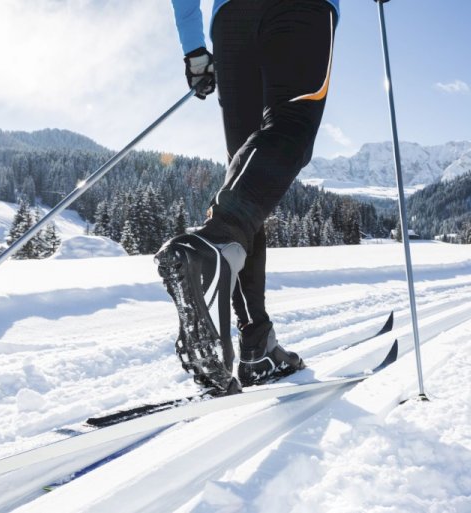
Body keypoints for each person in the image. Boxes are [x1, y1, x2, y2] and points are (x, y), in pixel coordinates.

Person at [156, 0, 339, 393]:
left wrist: (193, 49)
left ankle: (256, 344)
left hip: (232, 20)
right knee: (291, 126)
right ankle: (216, 245)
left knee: (246, 180)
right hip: (299, 10)